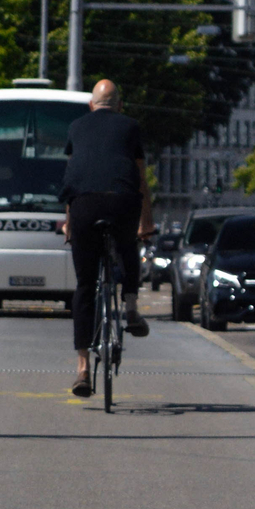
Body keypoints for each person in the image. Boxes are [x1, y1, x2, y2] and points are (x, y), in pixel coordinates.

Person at [59, 79, 154, 396]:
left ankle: (83, 369)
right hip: (122, 200)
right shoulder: (131, 127)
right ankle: (129, 309)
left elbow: (73, 178)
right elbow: (139, 178)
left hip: (84, 205)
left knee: (86, 284)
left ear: (91, 105)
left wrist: (70, 225)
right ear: (120, 105)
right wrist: (146, 223)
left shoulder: (76, 127)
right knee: (128, 246)